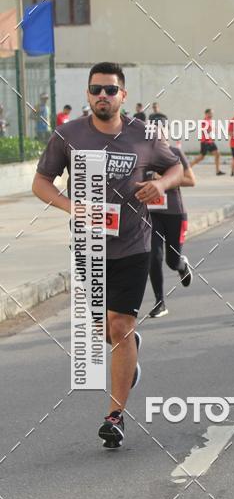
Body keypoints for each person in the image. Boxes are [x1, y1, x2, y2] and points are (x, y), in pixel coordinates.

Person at [32, 62, 183, 447]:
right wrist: (71, 207)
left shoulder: (144, 135)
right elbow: (40, 182)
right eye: (96, 89)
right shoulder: (68, 135)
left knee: (120, 326)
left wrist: (160, 185)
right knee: (105, 330)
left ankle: (114, 415)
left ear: (123, 96)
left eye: (111, 90)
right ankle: (129, 350)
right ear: (87, 94)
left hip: (134, 243)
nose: (103, 95)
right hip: (87, 245)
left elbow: (177, 168)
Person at [148, 141, 196, 318]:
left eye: (160, 131)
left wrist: (163, 179)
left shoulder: (174, 152)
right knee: (154, 256)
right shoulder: (140, 153)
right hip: (151, 213)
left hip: (174, 213)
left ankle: (181, 265)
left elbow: (191, 180)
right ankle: (160, 302)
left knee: (171, 261)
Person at [190, 108, 225, 175]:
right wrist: (211, 131)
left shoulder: (210, 120)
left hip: (210, 141)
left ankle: (218, 171)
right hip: (205, 141)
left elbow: (210, 129)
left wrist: (213, 130)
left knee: (217, 154)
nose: (212, 114)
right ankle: (188, 167)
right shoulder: (204, 121)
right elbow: (204, 131)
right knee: (201, 157)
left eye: (212, 113)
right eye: (211, 113)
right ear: (207, 113)